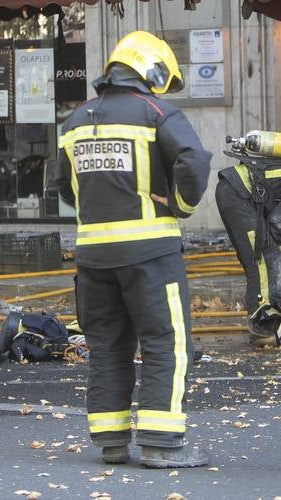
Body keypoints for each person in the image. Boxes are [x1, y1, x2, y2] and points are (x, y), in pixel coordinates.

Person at [54, 30, 213, 469]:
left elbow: (63, 188)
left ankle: (110, 441)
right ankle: (161, 444)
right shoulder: (156, 112)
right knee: (166, 342)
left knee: (106, 345)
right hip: (150, 254)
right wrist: (179, 204)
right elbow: (194, 162)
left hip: (93, 258)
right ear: (152, 70)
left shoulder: (74, 121)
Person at [214, 145, 281, 344]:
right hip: (238, 194)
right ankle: (265, 319)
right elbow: (277, 222)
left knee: (257, 259)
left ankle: (266, 315)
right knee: (265, 257)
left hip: (231, 189)